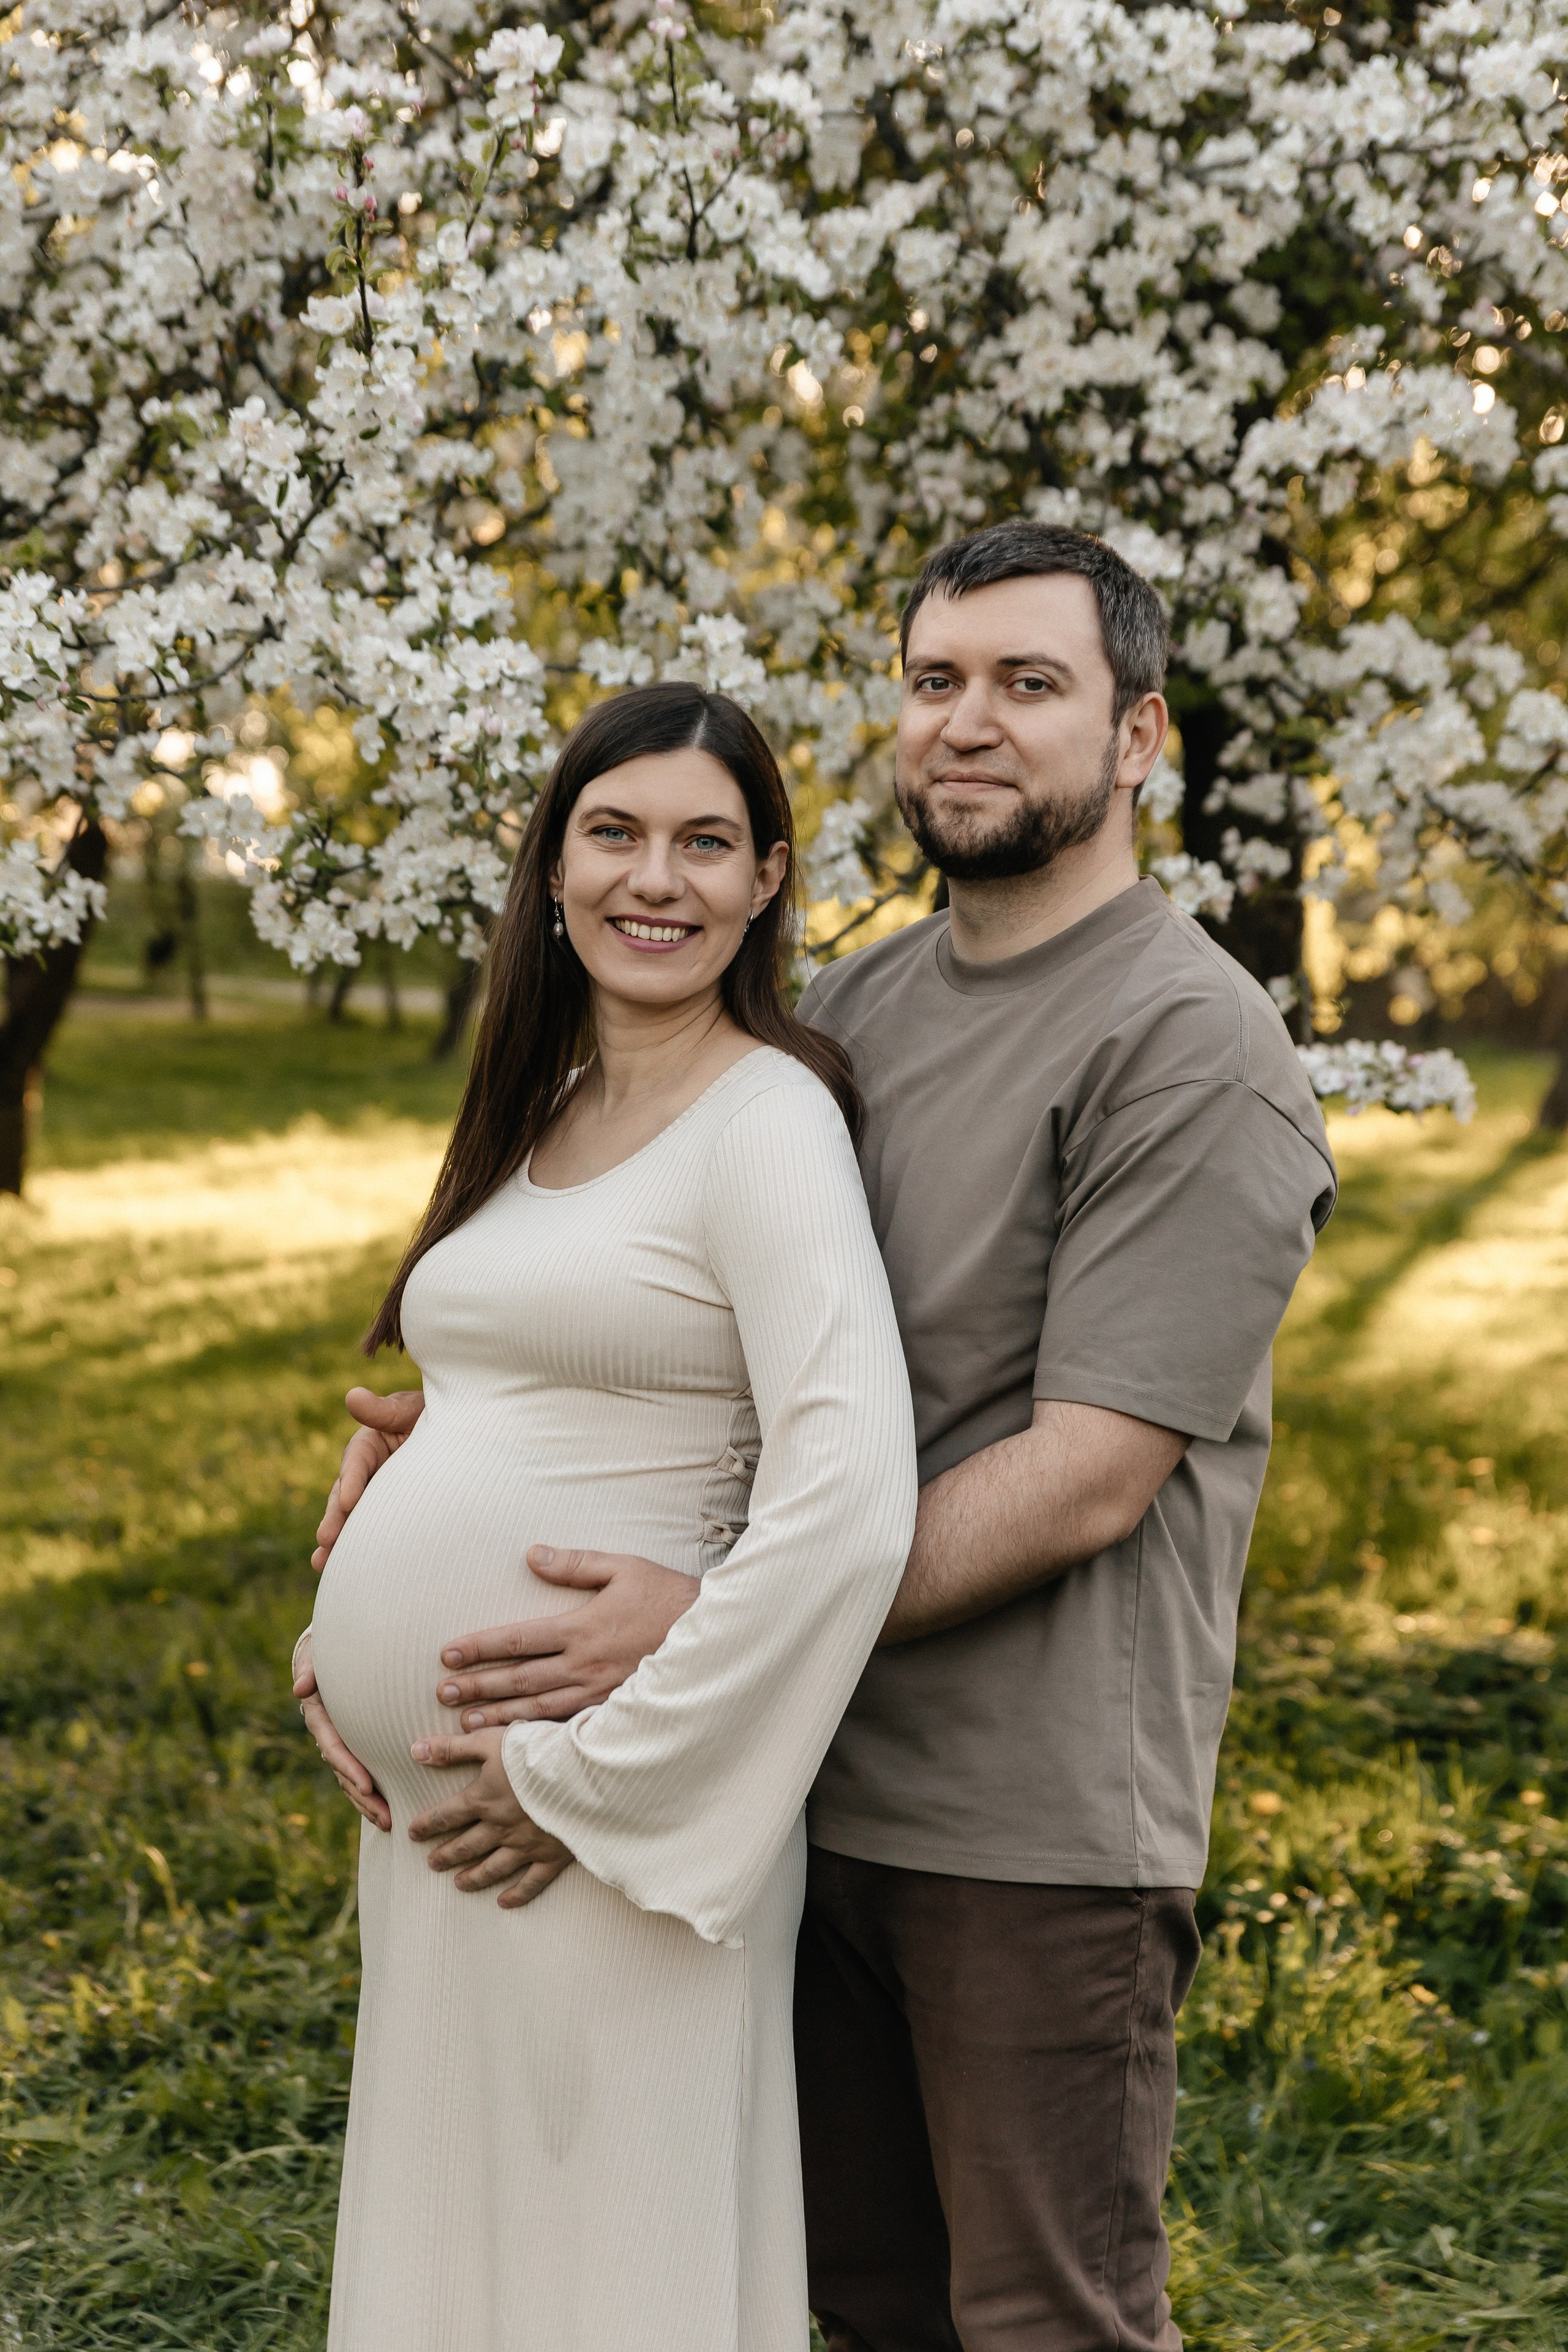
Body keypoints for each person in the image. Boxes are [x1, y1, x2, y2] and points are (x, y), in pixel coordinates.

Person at [304, 522, 1338, 2351]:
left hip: (1028, 1824)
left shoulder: (1194, 1042)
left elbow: (1095, 1468)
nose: (968, 724)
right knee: (847, 2309)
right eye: (936, 680)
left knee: (1044, 2319)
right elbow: (698, 1339)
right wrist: (456, 1435)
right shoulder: (849, 1013)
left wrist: (693, 1621)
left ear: (1139, 738)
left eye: (1032, 685)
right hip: (789, 1778)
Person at [292, 680, 918, 2352]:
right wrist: (335, 1639)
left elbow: (850, 1494)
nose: (660, 878)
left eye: (707, 842)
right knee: (467, 2247)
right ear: (553, 868)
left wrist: (595, 1782)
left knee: (607, 2273)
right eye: (616, 832)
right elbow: (517, 1403)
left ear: (769, 880)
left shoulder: (770, 1118)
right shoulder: (543, 1105)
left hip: (603, 1804)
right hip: (453, 1818)